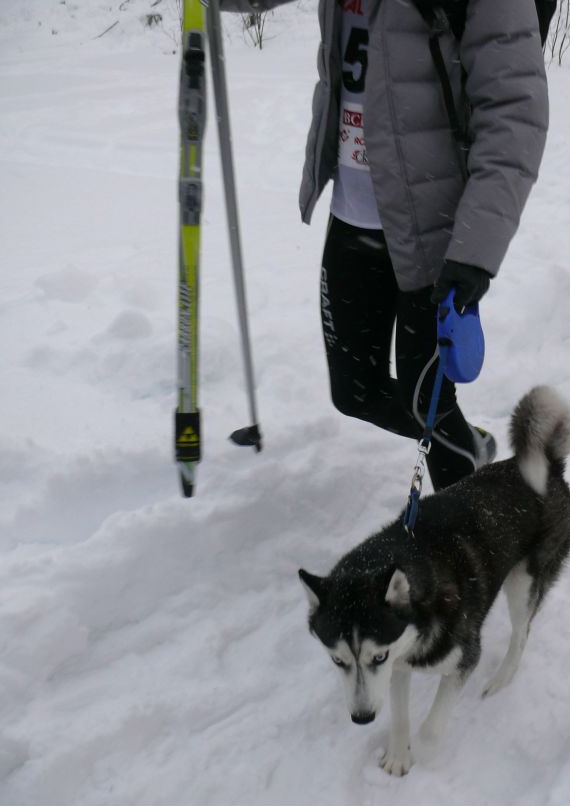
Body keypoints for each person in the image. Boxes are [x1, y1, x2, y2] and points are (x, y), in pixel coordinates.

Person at [219, 0, 549, 488]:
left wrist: (475, 249)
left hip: (436, 228)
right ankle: (470, 447)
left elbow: (515, 111)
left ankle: (460, 545)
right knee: (356, 392)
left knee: (427, 404)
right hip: (353, 214)